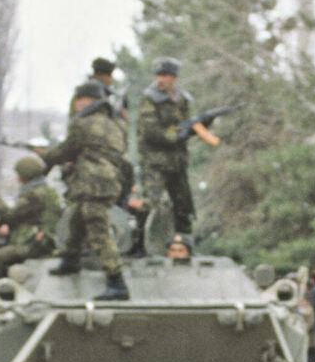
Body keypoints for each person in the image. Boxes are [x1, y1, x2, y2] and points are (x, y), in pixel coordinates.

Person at [42, 81, 135, 301]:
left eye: (79, 100)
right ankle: (70, 259)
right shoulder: (116, 123)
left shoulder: (83, 123)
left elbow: (67, 149)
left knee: (99, 231)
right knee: (78, 217)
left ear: (88, 101)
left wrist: (46, 157)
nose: (76, 105)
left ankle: (117, 281)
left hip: (92, 181)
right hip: (111, 179)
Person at [135, 58, 204, 253]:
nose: (161, 80)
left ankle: (186, 245)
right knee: (151, 205)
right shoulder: (149, 98)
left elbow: (188, 123)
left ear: (174, 78)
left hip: (177, 162)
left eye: (165, 76)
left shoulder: (182, 99)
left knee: (183, 206)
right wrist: (174, 135)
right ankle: (141, 246)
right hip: (155, 162)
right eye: (158, 75)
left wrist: (197, 128)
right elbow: (149, 129)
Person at [0, 157, 63, 297]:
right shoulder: (44, 190)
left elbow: (10, 215)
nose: (17, 179)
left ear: (25, 176)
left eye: (19, 176)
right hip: (44, 239)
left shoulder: (34, 194)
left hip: (40, 243)